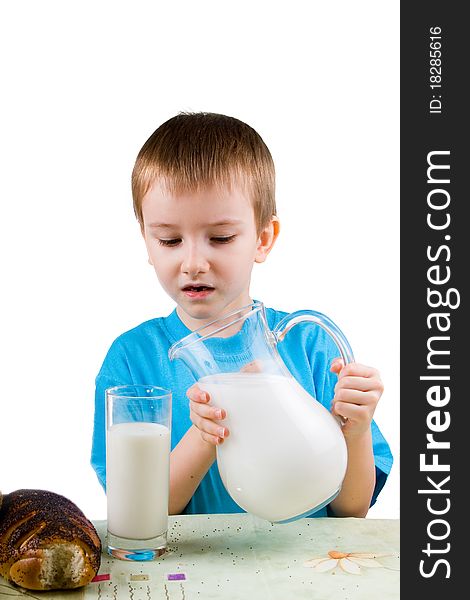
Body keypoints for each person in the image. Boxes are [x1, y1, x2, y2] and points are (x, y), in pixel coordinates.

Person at [91, 112, 393, 518]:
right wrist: (203, 437)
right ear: (146, 241)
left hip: (308, 573)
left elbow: (350, 511)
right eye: (169, 239)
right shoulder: (132, 360)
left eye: (220, 238)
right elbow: (138, 512)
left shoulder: (311, 348)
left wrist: (355, 431)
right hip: (189, 579)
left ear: (263, 239)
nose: (193, 262)